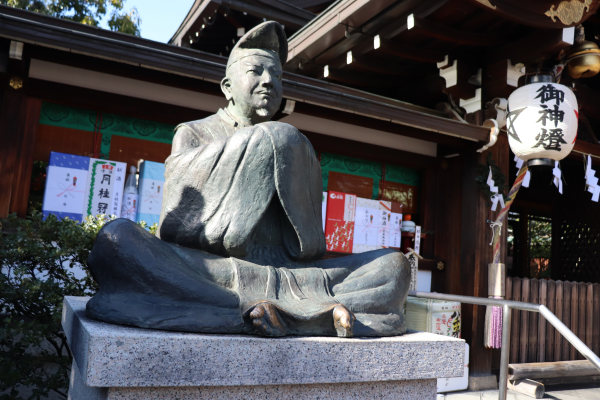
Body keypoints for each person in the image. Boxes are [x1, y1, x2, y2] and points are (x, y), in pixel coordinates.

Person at [86, 21, 410, 338]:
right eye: (256, 71)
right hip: (215, 271)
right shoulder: (194, 134)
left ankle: (275, 312)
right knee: (117, 240)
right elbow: (174, 228)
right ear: (227, 86)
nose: (269, 81)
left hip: (292, 276)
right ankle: (277, 310)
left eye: (278, 76)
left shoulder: (297, 145)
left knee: (394, 266)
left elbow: (309, 246)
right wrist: (258, 147)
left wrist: (282, 149)